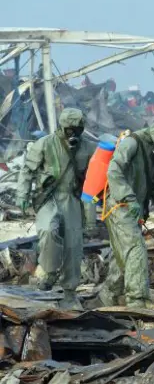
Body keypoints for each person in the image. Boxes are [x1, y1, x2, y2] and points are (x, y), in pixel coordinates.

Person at [98, 116, 154, 308]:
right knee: (136, 250)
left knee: (123, 254)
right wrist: (128, 197)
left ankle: (109, 295)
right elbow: (114, 171)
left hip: (132, 208)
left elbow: (145, 171)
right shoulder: (132, 143)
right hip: (120, 206)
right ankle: (137, 300)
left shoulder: (147, 146)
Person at [16, 108, 95, 310]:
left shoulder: (88, 147)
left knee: (73, 246)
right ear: (61, 127)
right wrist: (22, 195)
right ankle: (49, 271)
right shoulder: (45, 144)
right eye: (69, 129)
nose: (73, 133)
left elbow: (100, 174)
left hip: (73, 199)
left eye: (77, 129)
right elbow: (27, 171)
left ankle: (70, 292)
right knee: (48, 230)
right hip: (48, 197)